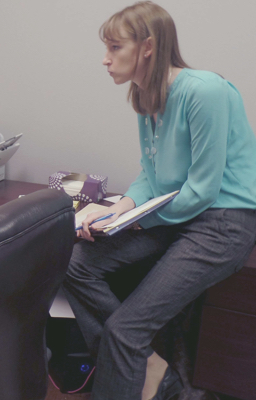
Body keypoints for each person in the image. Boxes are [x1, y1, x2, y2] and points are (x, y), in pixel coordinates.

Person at [63, 2, 256, 400]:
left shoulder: (205, 92)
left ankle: (136, 365)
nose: (105, 59)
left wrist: (134, 221)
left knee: (124, 330)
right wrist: (121, 207)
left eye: (115, 47)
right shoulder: (146, 96)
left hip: (225, 222)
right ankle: (148, 365)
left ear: (147, 47)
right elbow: (151, 176)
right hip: (177, 215)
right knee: (76, 264)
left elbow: (202, 191)